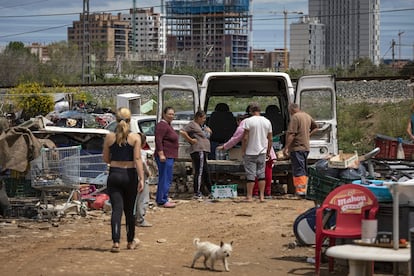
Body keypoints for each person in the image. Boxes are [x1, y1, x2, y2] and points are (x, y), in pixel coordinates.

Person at [102, 107, 145, 253]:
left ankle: (115, 242)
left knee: (116, 210)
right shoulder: (135, 138)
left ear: (115, 119)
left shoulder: (109, 137)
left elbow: (106, 159)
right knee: (129, 210)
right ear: (130, 119)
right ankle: (130, 241)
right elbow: (137, 158)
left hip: (114, 174)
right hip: (129, 174)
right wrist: (141, 178)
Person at [216, 111, 276, 199]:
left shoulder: (245, 124)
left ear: (239, 121)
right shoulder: (265, 121)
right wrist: (268, 151)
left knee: (252, 175)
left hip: (253, 152)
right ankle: (265, 194)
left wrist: (224, 147)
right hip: (266, 151)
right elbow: (270, 139)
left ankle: (253, 194)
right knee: (264, 174)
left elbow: (237, 138)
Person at [282, 103, 318, 197]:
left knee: (299, 169)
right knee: (303, 168)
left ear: (291, 110)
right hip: (305, 147)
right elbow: (316, 127)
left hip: (297, 147)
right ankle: (304, 189)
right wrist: (307, 135)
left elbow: (291, 134)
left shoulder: (295, 117)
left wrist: (286, 148)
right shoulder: (307, 116)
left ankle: (301, 190)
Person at [241, 103, 273, 202]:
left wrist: (243, 150)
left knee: (250, 175)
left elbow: (245, 138)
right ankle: (262, 196)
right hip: (262, 152)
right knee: (261, 174)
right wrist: (268, 151)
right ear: (260, 110)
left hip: (250, 152)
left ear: (251, 111)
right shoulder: (267, 122)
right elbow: (270, 139)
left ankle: (250, 196)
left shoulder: (248, 121)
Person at [180, 111, 213, 200]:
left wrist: (209, 131)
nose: (204, 120)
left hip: (204, 150)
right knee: (199, 171)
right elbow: (182, 132)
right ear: (198, 117)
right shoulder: (192, 125)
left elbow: (206, 135)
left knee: (205, 171)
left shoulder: (202, 126)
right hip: (199, 149)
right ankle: (197, 192)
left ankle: (210, 190)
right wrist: (190, 140)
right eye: (203, 118)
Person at [154, 106, 179, 208]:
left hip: (169, 155)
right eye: (169, 114)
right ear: (164, 114)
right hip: (165, 156)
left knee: (167, 177)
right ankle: (162, 200)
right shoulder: (162, 126)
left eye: (173, 114)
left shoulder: (168, 125)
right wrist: (161, 153)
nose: (171, 116)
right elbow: (158, 140)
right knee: (165, 178)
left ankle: (163, 196)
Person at [135, 132, 153, 227]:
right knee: (143, 198)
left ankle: (134, 217)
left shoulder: (131, 151)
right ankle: (140, 219)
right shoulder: (141, 152)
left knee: (135, 199)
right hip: (141, 176)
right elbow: (142, 162)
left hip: (132, 176)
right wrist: (148, 172)